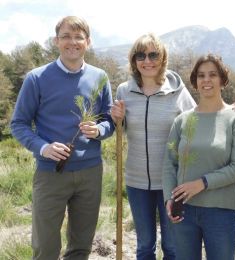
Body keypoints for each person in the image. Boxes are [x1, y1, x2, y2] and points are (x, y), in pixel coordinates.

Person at [10, 16, 114, 259]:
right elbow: (19, 123)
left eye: (78, 37)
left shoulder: (100, 78)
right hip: (50, 174)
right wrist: (43, 147)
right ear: (56, 41)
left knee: (81, 247)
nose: (72, 42)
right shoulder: (36, 78)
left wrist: (99, 130)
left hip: (90, 173)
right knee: (45, 247)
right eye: (66, 36)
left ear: (87, 42)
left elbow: (110, 120)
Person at [110, 33, 196, 259]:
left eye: (153, 54)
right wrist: (117, 119)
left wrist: (227, 109)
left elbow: (198, 120)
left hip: (172, 181)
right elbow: (120, 127)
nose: (147, 60)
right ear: (134, 60)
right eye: (141, 55)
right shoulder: (123, 91)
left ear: (162, 58)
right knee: (144, 245)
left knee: (172, 246)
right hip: (137, 181)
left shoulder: (178, 91)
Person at [162, 54, 235, 260]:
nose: (207, 80)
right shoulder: (182, 121)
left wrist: (202, 183)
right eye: (201, 75)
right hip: (183, 210)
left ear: (223, 80)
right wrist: (169, 198)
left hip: (221, 212)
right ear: (195, 81)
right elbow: (169, 163)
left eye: (213, 74)